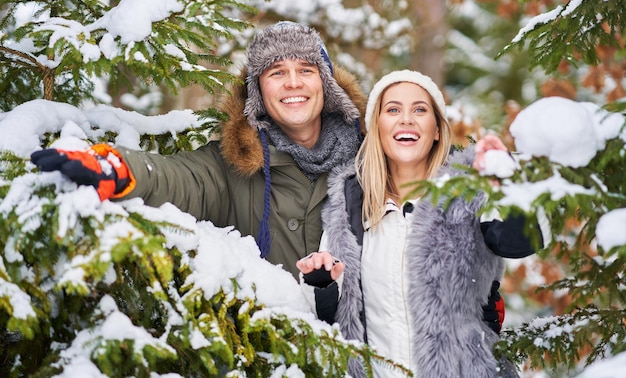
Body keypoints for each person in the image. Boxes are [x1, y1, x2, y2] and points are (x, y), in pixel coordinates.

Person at [30, 23, 505, 329]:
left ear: (327, 83)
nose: (294, 83)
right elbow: (178, 177)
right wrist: (116, 166)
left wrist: (481, 287)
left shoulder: (374, 153)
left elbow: (447, 195)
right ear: (258, 91)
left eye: (306, 69)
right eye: (277, 72)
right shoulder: (233, 164)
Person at [296, 70, 543, 378]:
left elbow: (521, 241)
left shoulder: (469, 192)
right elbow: (334, 322)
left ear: (437, 130)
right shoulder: (348, 206)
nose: (406, 120)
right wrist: (322, 282)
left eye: (420, 110)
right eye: (393, 110)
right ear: (377, 127)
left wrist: (508, 183)